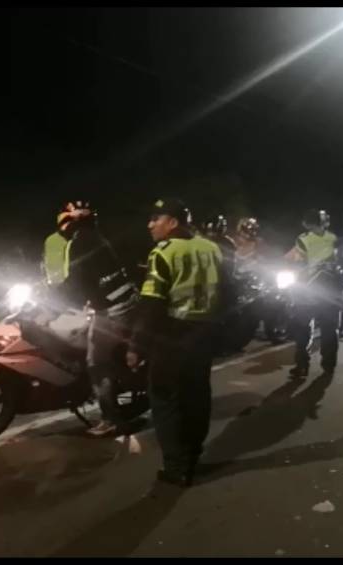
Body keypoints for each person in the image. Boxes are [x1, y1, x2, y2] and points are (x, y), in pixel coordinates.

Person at [127, 198, 230, 487]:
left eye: (155, 219)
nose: (150, 225)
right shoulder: (212, 248)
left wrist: (136, 345)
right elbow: (228, 292)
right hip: (205, 334)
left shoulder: (164, 252)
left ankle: (176, 467)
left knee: (165, 400)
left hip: (173, 335)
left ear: (173, 222)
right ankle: (194, 454)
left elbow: (151, 303)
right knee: (197, 395)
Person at [56, 200, 138, 437]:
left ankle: (111, 419)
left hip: (114, 310)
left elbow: (75, 280)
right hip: (125, 302)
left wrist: (49, 293)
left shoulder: (79, 242)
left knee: (95, 361)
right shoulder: (95, 236)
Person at [283, 208, 340, 378]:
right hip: (329, 292)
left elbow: (296, 262)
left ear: (307, 223)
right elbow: (340, 263)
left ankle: (302, 366)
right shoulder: (333, 238)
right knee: (329, 330)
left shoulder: (303, 239)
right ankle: (328, 366)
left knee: (302, 329)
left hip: (307, 290)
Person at [42, 213, 69, 286]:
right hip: (55, 284)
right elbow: (44, 260)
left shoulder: (79, 239)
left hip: (74, 284)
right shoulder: (50, 240)